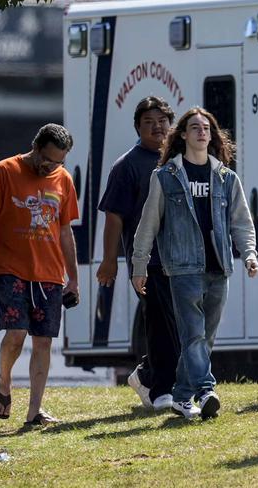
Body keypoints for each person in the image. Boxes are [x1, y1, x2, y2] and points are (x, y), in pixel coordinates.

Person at [132, 108, 258, 420]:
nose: (202, 132)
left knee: (207, 336)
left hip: (219, 266)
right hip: (183, 267)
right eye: (195, 127)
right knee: (193, 335)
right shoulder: (166, 177)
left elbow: (241, 222)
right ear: (183, 136)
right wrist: (139, 265)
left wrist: (250, 254)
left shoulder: (227, 178)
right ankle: (205, 390)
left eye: (207, 128)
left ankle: (180, 397)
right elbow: (147, 224)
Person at [0, 123, 80, 426]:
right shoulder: (5, 171)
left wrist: (73, 277)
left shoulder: (63, 180)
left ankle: (35, 410)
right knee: (17, 332)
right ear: (35, 148)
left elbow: (64, 231)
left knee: (44, 341)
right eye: (47, 159)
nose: (50, 167)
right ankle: (5, 383)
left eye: (58, 162)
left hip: (49, 273)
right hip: (10, 268)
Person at [97, 96, 178, 411]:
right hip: (148, 260)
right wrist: (109, 261)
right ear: (138, 128)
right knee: (162, 326)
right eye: (149, 123)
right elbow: (114, 217)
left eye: (162, 122)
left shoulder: (181, 159)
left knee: (181, 326)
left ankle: (145, 374)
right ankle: (157, 386)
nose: (157, 128)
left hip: (182, 260)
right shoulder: (127, 165)